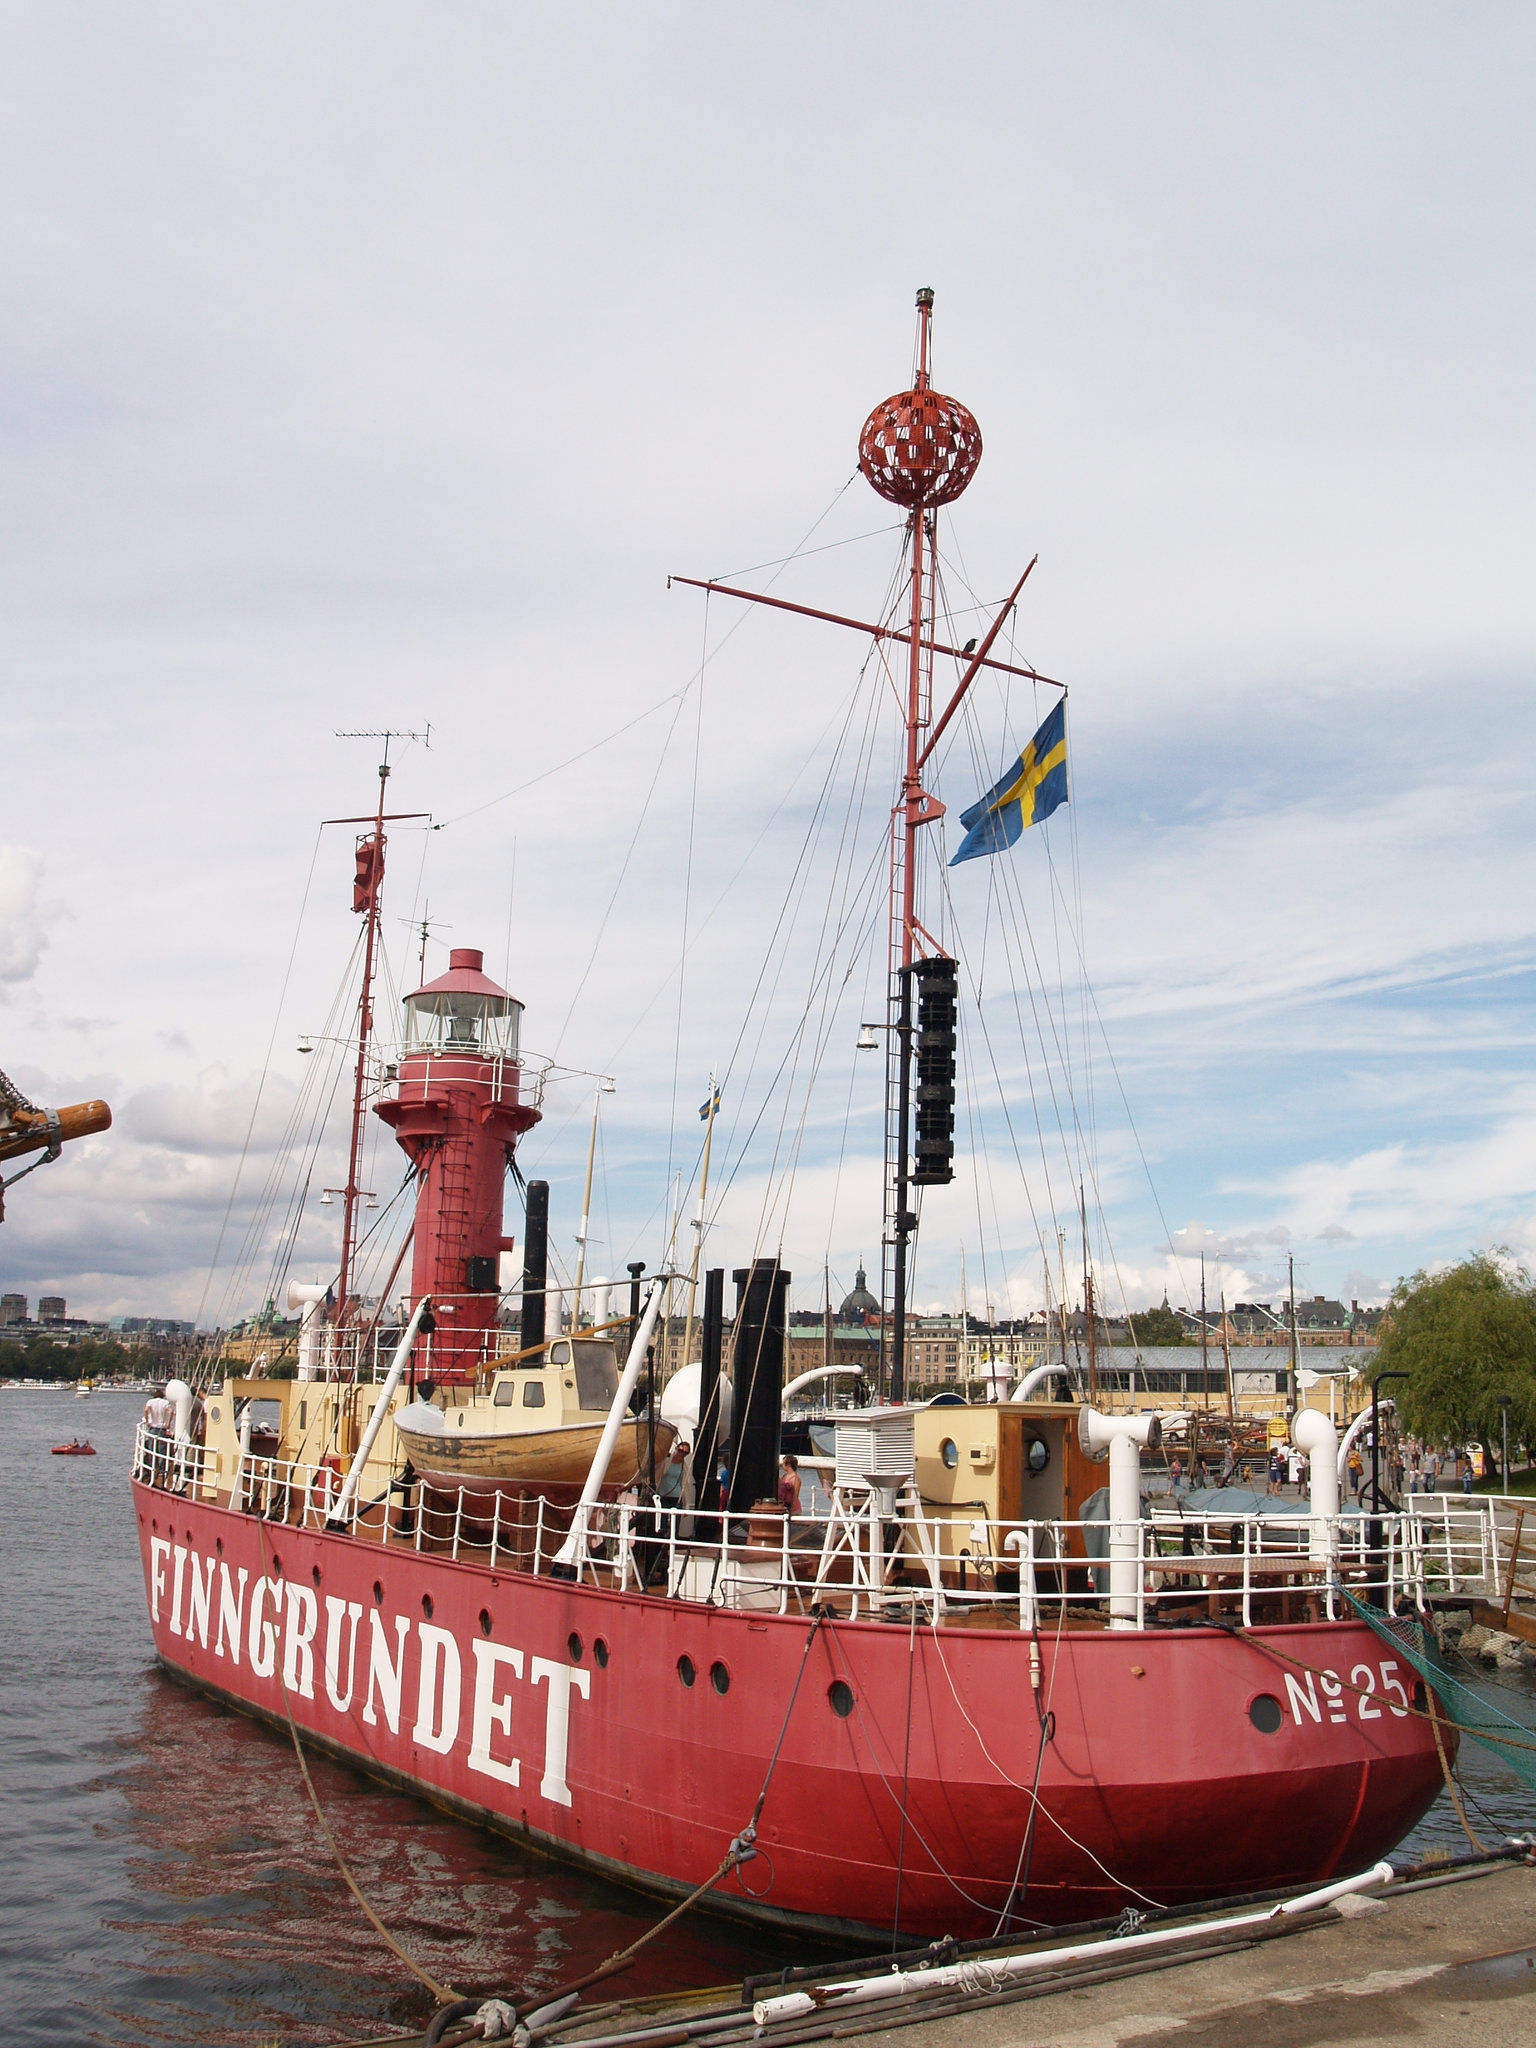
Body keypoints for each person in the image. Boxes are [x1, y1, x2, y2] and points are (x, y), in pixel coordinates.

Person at [142, 1384, 174, 1486]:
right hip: (162, 1428)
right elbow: (171, 1411)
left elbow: (146, 1410)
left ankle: (153, 1468)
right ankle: (161, 1470)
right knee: (162, 1450)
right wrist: (168, 1423)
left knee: (152, 1449)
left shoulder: (150, 1402)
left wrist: (147, 1421)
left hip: (153, 1427)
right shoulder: (165, 1402)